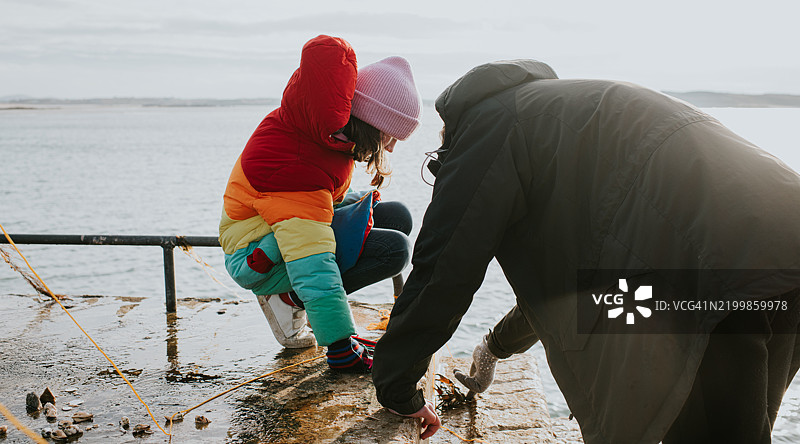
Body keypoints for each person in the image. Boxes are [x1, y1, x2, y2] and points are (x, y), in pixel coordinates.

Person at [372, 59, 800, 443]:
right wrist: (495, 345)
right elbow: (576, 290)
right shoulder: (564, 116)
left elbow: (444, 268)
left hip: (705, 267)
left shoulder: (487, 128)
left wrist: (396, 386)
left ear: (451, 137)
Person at [219, 35, 422, 373]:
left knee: (396, 215)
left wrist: (356, 203)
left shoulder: (321, 131)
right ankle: (288, 299)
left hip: (275, 232)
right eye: (389, 136)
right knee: (395, 250)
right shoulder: (297, 165)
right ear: (370, 122)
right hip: (257, 257)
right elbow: (312, 260)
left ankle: (298, 299)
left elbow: (319, 202)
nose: (389, 149)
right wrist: (340, 345)